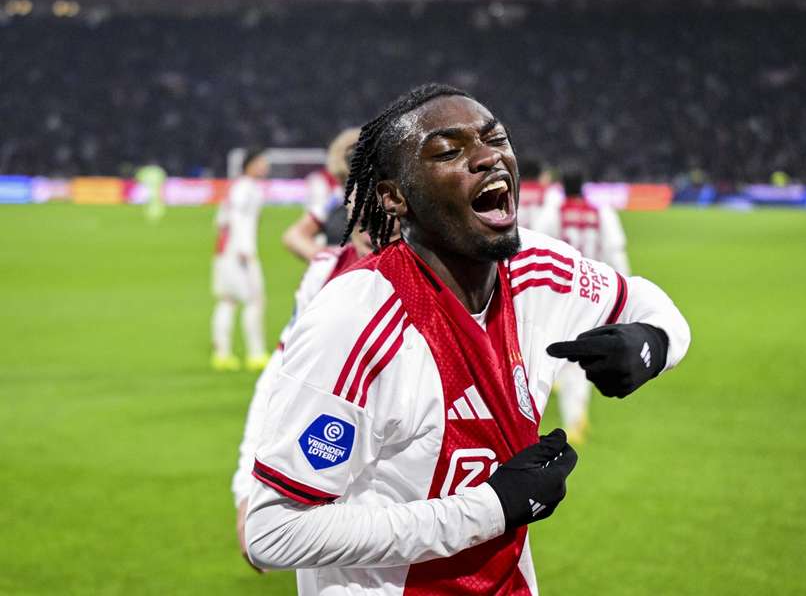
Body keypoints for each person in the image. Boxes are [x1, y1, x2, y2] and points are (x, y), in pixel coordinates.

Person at [244, 84, 690, 594]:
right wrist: (490, 508)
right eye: (449, 151)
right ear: (394, 196)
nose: (487, 157)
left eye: (495, 138)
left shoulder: (539, 271)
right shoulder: (352, 322)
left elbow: (650, 304)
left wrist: (650, 343)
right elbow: (274, 532)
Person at [232, 216, 393, 572]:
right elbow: (277, 385)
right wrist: (248, 489)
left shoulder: (452, 277)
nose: (369, 217)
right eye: (358, 198)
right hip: (336, 502)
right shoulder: (325, 272)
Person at [544, 166, 632, 443]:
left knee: (560, 351)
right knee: (581, 353)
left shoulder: (554, 212)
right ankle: (575, 414)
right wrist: (624, 291)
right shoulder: (601, 212)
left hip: (561, 293)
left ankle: (569, 413)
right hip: (594, 292)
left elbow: (541, 247)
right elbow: (615, 250)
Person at [211, 148, 270, 372]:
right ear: (250, 165)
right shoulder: (248, 189)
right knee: (255, 300)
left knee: (227, 300)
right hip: (240, 251)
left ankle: (221, 354)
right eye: (262, 162)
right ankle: (255, 354)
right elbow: (238, 218)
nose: (266, 166)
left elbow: (220, 221)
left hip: (224, 251)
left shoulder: (236, 187)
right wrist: (245, 249)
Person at [282, 128, 361, 261]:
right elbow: (292, 236)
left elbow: (293, 236)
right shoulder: (336, 199)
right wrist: (330, 262)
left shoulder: (336, 198)